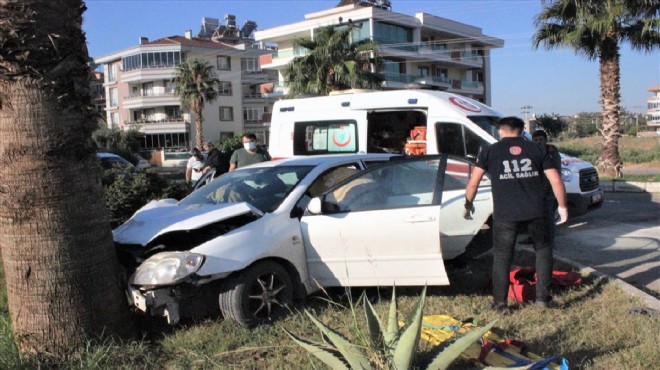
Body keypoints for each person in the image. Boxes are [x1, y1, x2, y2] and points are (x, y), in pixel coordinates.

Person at [463, 116, 568, 310]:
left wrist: (468, 205)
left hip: (505, 214)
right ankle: (543, 299)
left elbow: (473, 183)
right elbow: (556, 181)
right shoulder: (538, 149)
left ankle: (500, 304)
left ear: (501, 132)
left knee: (502, 257)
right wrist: (562, 207)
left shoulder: (489, 151)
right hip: (537, 211)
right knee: (544, 251)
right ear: (521, 131)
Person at [520, 129, 562, 244]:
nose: (538, 142)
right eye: (536, 140)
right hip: (533, 191)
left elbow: (555, 172)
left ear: (545, 140)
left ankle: (549, 241)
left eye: (541, 140)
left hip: (548, 191)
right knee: (533, 218)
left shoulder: (551, 151)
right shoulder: (530, 151)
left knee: (548, 218)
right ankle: (533, 238)